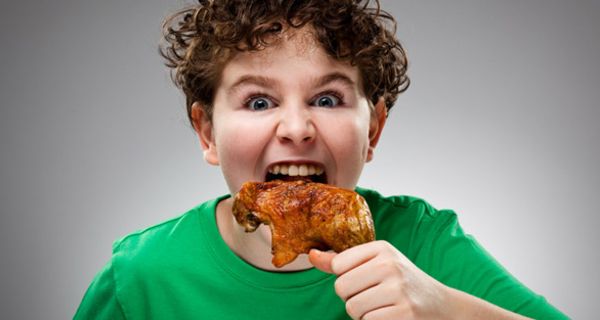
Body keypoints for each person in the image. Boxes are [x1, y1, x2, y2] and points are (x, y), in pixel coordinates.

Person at [74, 0, 568, 319]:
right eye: (259, 102)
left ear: (372, 130)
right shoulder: (140, 279)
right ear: (207, 133)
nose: (296, 129)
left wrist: (447, 310)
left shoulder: (426, 244)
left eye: (327, 100)